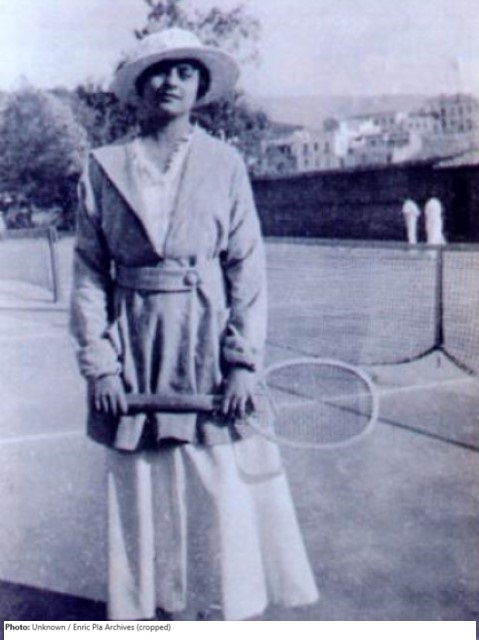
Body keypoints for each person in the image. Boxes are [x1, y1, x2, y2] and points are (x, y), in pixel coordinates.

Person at [70, 27, 318, 621]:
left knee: (218, 480)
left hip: (206, 343)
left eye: (185, 71)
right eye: (159, 70)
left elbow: (247, 267)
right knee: (140, 481)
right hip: (133, 348)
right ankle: (148, 613)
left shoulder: (225, 163)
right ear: (139, 85)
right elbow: (88, 273)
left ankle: (220, 611)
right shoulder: (103, 168)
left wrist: (242, 363)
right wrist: (101, 366)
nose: (171, 81)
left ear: (201, 86)